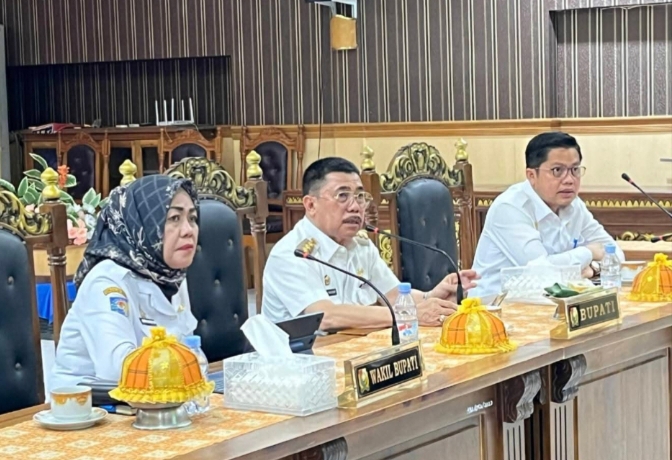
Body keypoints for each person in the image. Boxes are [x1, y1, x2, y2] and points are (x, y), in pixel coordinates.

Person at [262, 157, 479, 331]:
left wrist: (433, 297)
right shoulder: (292, 254)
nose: (355, 207)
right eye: (342, 196)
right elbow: (325, 316)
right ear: (311, 205)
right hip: (298, 360)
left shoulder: (361, 245)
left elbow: (393, 296)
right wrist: (409, 314)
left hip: (351, 347)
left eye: (360, 197)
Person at [51, 175, 200, 388]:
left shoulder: (171, 276)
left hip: (160, 397)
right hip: (92, 403)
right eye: (174, 218)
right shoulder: (106, 281)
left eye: (192, 218)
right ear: (143, 224)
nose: (188, 230)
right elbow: (119, 370)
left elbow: (190, 348)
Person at [470, 132, 624, 299]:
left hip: (548, 302)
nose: (569, 180)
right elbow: (540, 272)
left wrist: (593, 268)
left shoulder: (574, 205)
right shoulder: (509, 208)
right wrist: (587, 253)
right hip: (494, 306)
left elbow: (615, 254)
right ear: (532, 175)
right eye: (557, 170)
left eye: (575, 170)